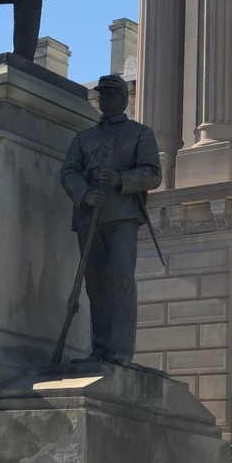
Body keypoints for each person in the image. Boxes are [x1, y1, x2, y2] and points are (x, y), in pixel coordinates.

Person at [60, 75, 161, 366]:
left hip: (122, 217)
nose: (104, 100)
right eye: (101, 95)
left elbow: (153, 173)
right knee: (95, 285)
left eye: (110, 95)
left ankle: (121, 350)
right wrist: (85, 194)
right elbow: (69, 172)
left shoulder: (140, 133)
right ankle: (100, 349)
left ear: (123, 99)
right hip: (89, 216)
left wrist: (121, 179)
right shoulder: (84, 138)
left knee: (122, 281)